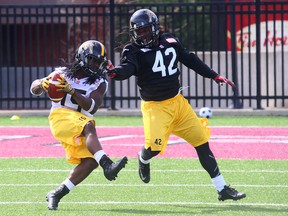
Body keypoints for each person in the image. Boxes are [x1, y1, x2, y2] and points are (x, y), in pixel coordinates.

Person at [105, 9, 246, 201]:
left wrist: (214, 75)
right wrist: (115, 73)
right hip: (155, 107)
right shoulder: (133, 50)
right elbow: (129, 68)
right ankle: (143, 158)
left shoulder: (169, 40)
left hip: (178, 104)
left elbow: (189, 59)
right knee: (154, 149)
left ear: (154, 28)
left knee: (202, 143)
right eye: (139, 31)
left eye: (146, 30)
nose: (142, 34)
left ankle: (222, 189)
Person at [30, 40, 128, 210]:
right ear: (82, 57)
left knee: (90, 162)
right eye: (93, 60)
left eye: (99, 62)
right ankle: (108, 165)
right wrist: (40, 84)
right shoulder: (61, 73)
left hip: (79, 121)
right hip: (61, 117)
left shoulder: (99, 82)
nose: (96, 65)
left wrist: (72, 91)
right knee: (89, 126)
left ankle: (57, 193)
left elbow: (91, 107)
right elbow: (34, 88)